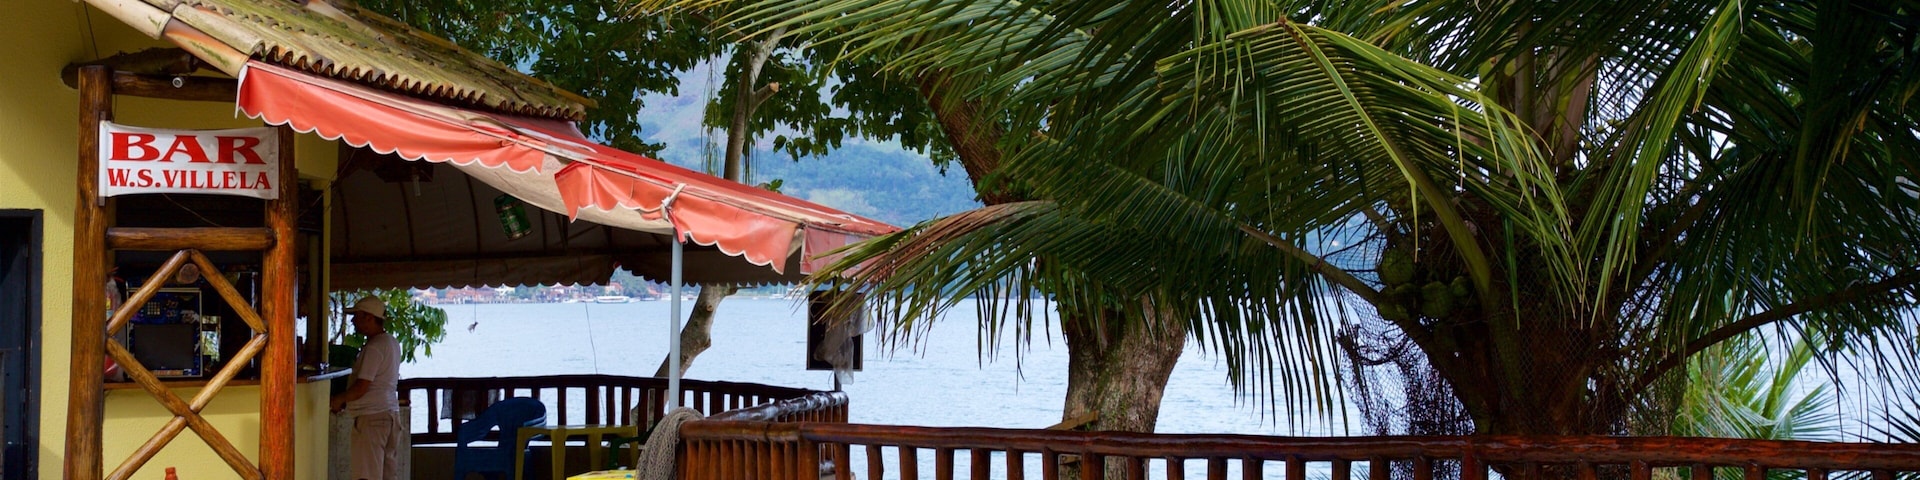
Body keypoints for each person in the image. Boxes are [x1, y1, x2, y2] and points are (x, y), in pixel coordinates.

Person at [330, 295, 403, 479]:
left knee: (367, 476)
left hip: (372, 420)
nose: (353, 320)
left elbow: (362, 386)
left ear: (369, 317)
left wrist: (338, 400)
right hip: (390, 415)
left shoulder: (374, 347)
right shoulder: (391, 342)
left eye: (357, 315)